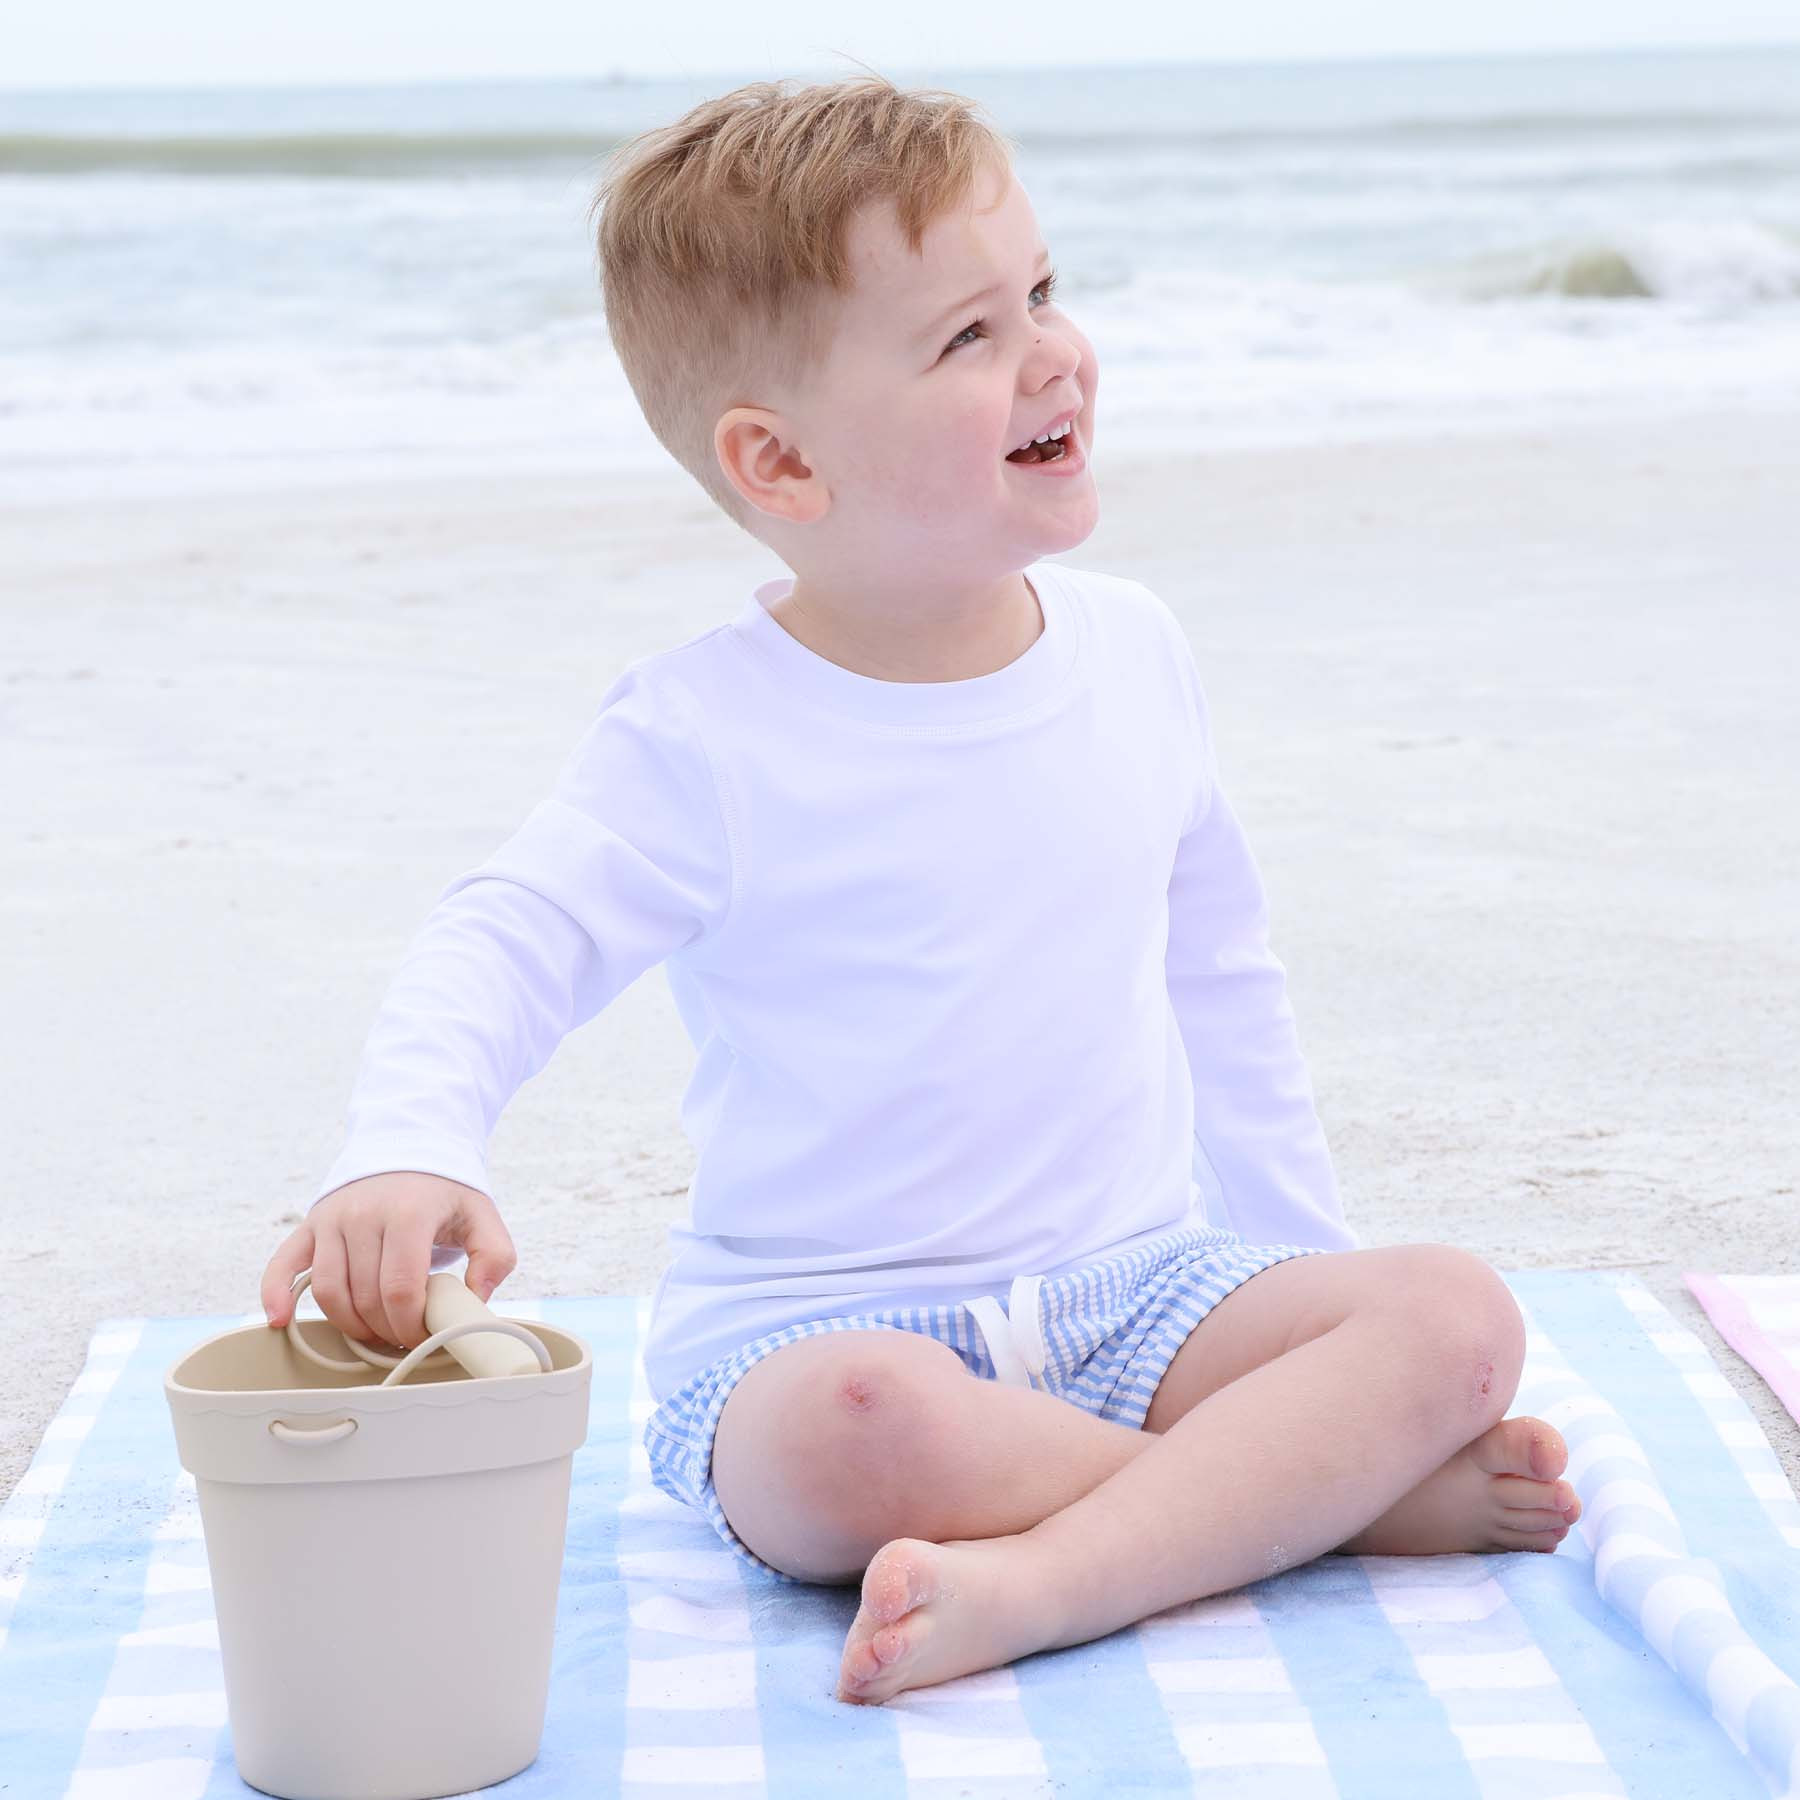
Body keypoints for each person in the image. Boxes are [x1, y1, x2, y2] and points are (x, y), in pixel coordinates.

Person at [261, 70, 1582, 1707]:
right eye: (968, 338)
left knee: (1452, 1320)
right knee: (846, 1445)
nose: (1051, 353)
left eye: (1041, 292)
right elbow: (510, 935)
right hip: (832, 1333)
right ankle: (1268, 1509)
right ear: (783, 463)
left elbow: (1222, 980)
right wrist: (406, 1143)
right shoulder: (706, 732)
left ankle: (1088, 1546)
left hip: (1147, 1292)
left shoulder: (1134, 654)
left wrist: (1309, 1298)